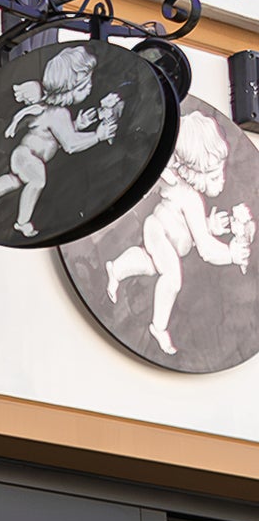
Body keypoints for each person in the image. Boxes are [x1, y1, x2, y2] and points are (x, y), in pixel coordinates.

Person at [102, 112, 254, 357]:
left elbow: (191, 228)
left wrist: (209, 225)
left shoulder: (188, 195)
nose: (221, 181)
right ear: (193, 170)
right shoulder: (191, 198)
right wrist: (231, 254)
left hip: (163, 236)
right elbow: (205, 249)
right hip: (160, 232)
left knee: (151, 264)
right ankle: (159, 327)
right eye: (215, 175)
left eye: (221, 172)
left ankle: (116, 269)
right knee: (172, 278)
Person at [0, 44, 125, 239]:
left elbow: (60, 136)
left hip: (22, 156)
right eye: (86, 85)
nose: (90, 89)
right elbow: (70, 145)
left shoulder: (55, 112)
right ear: (70, 88)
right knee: (37, 180)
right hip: (28, 156)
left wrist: (78, 125)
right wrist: (97, 135)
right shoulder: (59, 113)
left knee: (14, 180)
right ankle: (22, 223)